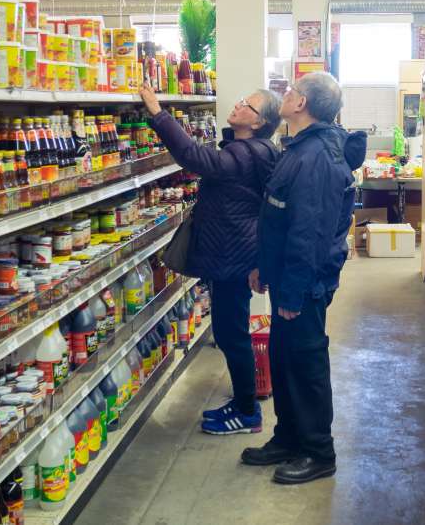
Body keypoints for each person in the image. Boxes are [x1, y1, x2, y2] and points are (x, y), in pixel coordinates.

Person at [242, 71, 366, 485]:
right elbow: (279, 216)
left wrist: (292, 292)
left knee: (306, 364)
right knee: (283, 359)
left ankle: (318, 451)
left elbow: (309, 235)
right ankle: (289, 436)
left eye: (292, 92)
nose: (286, 96)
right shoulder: (300, 147)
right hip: (287, 279)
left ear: (302, 106)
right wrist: (265, 265)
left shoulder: (317, 158)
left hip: (305, 284)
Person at [140, 81, 281, 435]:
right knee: (230, 330)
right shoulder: (252, 150)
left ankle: (247, 411)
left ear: (259, 121)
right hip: (235, 253)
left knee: (231, 333)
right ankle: (242, 402)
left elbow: (195, 158)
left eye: (246, 105)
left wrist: (158, 114)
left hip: (235, 257)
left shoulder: (248, 153)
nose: (237, 105)